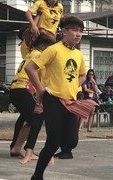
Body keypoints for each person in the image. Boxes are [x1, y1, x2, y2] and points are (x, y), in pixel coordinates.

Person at [25, 16, 90, 180]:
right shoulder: (53, 50)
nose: (78, 34)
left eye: (81, 31)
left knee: (71, 141)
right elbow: (30, 68)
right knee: (53, 140)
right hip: (52, 99)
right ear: (64, 31)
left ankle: (57, 147)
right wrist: (40, 90)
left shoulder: (78, 55)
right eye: (75, 30)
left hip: (70, 102)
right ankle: (37, 176)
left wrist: (75, 86)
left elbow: (82, 74)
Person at [10, 33, 54, 158]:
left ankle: (15, 146)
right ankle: (20, 148)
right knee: (34, 119)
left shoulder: (30, 53)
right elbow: (43, 77)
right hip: (21, 89)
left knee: (26, 118)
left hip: (15, 89)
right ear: (42, 46)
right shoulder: (39, 55)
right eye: (48, 48)